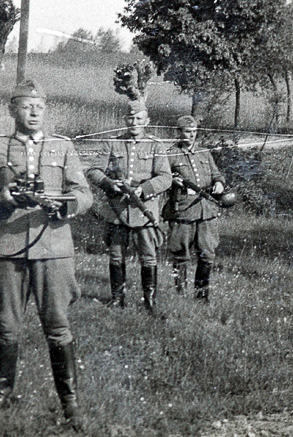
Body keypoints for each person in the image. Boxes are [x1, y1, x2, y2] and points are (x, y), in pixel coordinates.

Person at [0, 79, 93, 428]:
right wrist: (2, 199)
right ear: (12, 110)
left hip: (53, 249)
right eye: (26, 106)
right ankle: (1, 397)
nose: (34, 112)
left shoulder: (63, 147)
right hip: (8, 247)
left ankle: (71, 404)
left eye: (39, 106)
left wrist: (64, 207)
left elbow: (84, 194)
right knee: (7, 327)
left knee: (58, 325)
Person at [86, 101, 171, 312]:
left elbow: (165, 177)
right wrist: (109, 184)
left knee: (148, 255)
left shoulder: (155, 145)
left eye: (139, 119)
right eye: (131, 118)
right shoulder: (112, 144)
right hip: (117, 209)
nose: (134, 123)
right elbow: (94, 170)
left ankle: (149, 301)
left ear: (147, 121)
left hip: (145, 209)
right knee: (116, 254)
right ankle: (117, 299)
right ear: (125, 120)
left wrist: (145, 189)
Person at [162, 115, 227, 301]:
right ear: (179, 132)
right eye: (187, 131)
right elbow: (161, 178)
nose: (191, 135)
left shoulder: (204, 152)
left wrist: (219, 183)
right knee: (180, 254)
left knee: (207, 253)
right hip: (182, 210)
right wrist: (172, 181)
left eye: (194, 132)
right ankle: (180, 295)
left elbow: (218, 175)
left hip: (206, 210)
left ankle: (201, 296)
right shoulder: (170, 154)